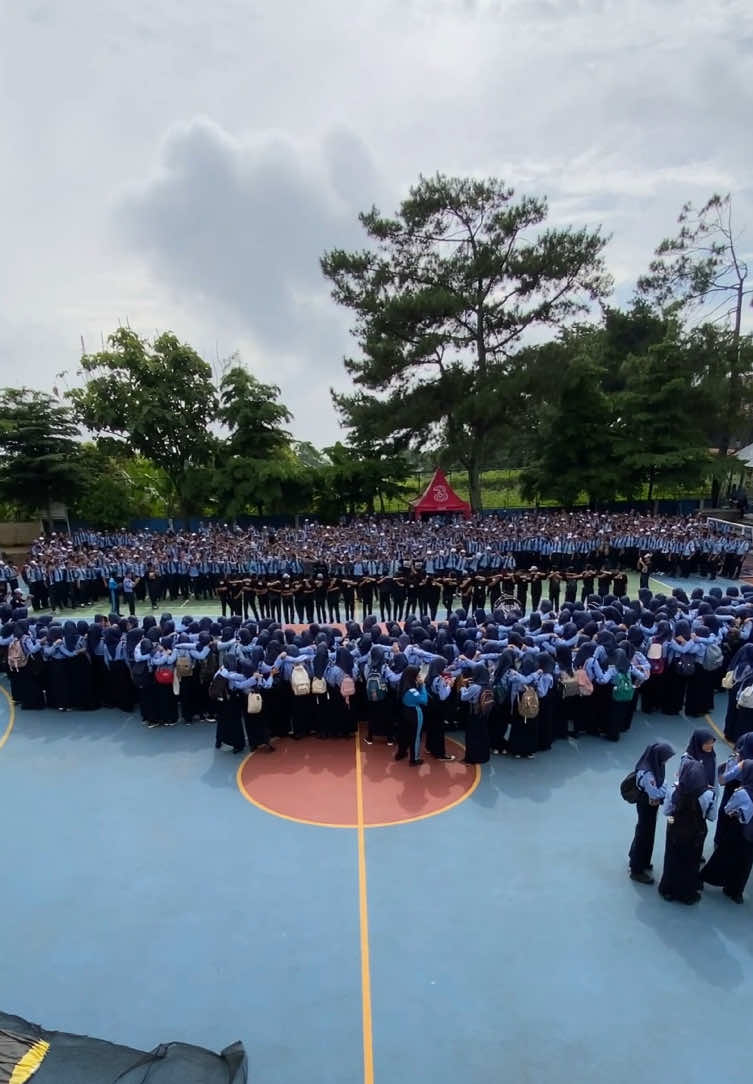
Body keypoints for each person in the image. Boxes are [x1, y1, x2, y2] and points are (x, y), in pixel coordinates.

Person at [658, 759, 713, 904]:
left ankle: (667, 890)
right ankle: (687, 893)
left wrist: (670, 826)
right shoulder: (708, 794)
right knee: (691, 862)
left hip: (675, 829)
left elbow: (667, 812)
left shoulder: (674, 789)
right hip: (696, 832)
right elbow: (711, 816)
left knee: (672, 859)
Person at [701, 754, 753, 904]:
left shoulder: (742, 792)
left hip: (738, 830)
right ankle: (735, 891)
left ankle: (707, 878)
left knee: (724, 855)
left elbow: (728, 808)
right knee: (745, 862)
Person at [628, 742, 675, 884]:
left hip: (650, 805)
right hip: (646, 804)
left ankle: (641, 859)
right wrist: (666, 786)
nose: (667, 761)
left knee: (647, 832)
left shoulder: (656, 765)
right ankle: (636, 869)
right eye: (666, 757)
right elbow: (655, 793)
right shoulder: (648, 772)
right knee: (644, 833)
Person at [396, 664, 427, 765]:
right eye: (417, 676)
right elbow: (424, 700)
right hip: (414, 713)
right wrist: (422, 686)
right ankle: (414, 759)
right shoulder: (411, 690)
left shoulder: (402, 685)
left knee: (404, 734)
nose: (419, 678)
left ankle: (401, 753)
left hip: (404, 712)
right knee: (415, 736)